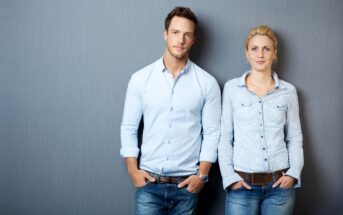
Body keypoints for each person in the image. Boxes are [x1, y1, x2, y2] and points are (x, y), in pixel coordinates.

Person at [120, 7, 221, 215]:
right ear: (165, 34)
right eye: (175, 32)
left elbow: (212, 133)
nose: (180, 40)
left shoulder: (207, 84)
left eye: (187, 34)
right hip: (149, 184)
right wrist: (132, 170)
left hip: (187, 186)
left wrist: (201, 176)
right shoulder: (140, 79)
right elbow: (129, 127)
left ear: (193, 40)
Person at [218, 25, 304, 215]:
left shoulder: (288, 91)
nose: (260, 54)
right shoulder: (232, 89)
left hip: (279, 188)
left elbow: (295, 138)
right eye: (254, 48)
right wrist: (229, 177)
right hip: (241, 186)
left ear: (274, 53)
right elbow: (225, 137)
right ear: (246, 53)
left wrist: (293, 174)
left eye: (266, 49)